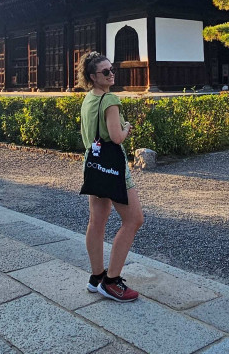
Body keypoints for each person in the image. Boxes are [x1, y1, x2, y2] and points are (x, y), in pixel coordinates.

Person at [77, 51, 143, 302]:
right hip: (113, 164)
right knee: (134, 219)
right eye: (105, 71)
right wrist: (126, 128)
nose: (111, 73)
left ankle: (96, 277)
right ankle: (112, 281)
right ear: (93, 77)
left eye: (112, 69)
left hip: (93, 163)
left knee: (97, 221)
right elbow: (115, 138)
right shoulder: (110, 100)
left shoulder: (88, 100)